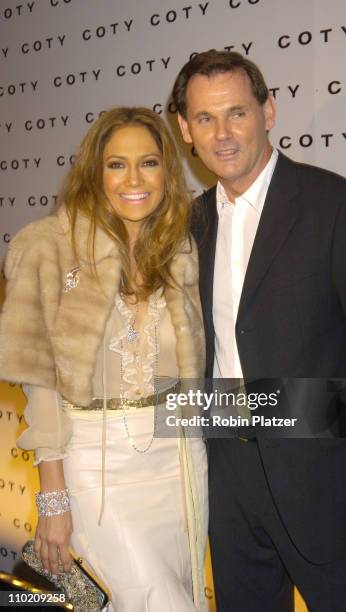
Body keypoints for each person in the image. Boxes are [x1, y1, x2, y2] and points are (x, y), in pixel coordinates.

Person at [172, 50, 346, 612]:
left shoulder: (339, 207)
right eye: (204, 118)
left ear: (269, 111)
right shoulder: (187, 223)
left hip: (325, 482)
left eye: (237, 113)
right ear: (184, 130)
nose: (222, 134)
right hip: (226, 477)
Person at [0, 107, 208, 612]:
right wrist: (53, 498)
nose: (133, 180)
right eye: (117, 164)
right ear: (94, 171)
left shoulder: (179, 248)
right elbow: (39, 381)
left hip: (179, 460)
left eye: (149, 163)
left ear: (168, 173)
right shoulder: (47, 246)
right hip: (94, 464)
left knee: (180, 591)